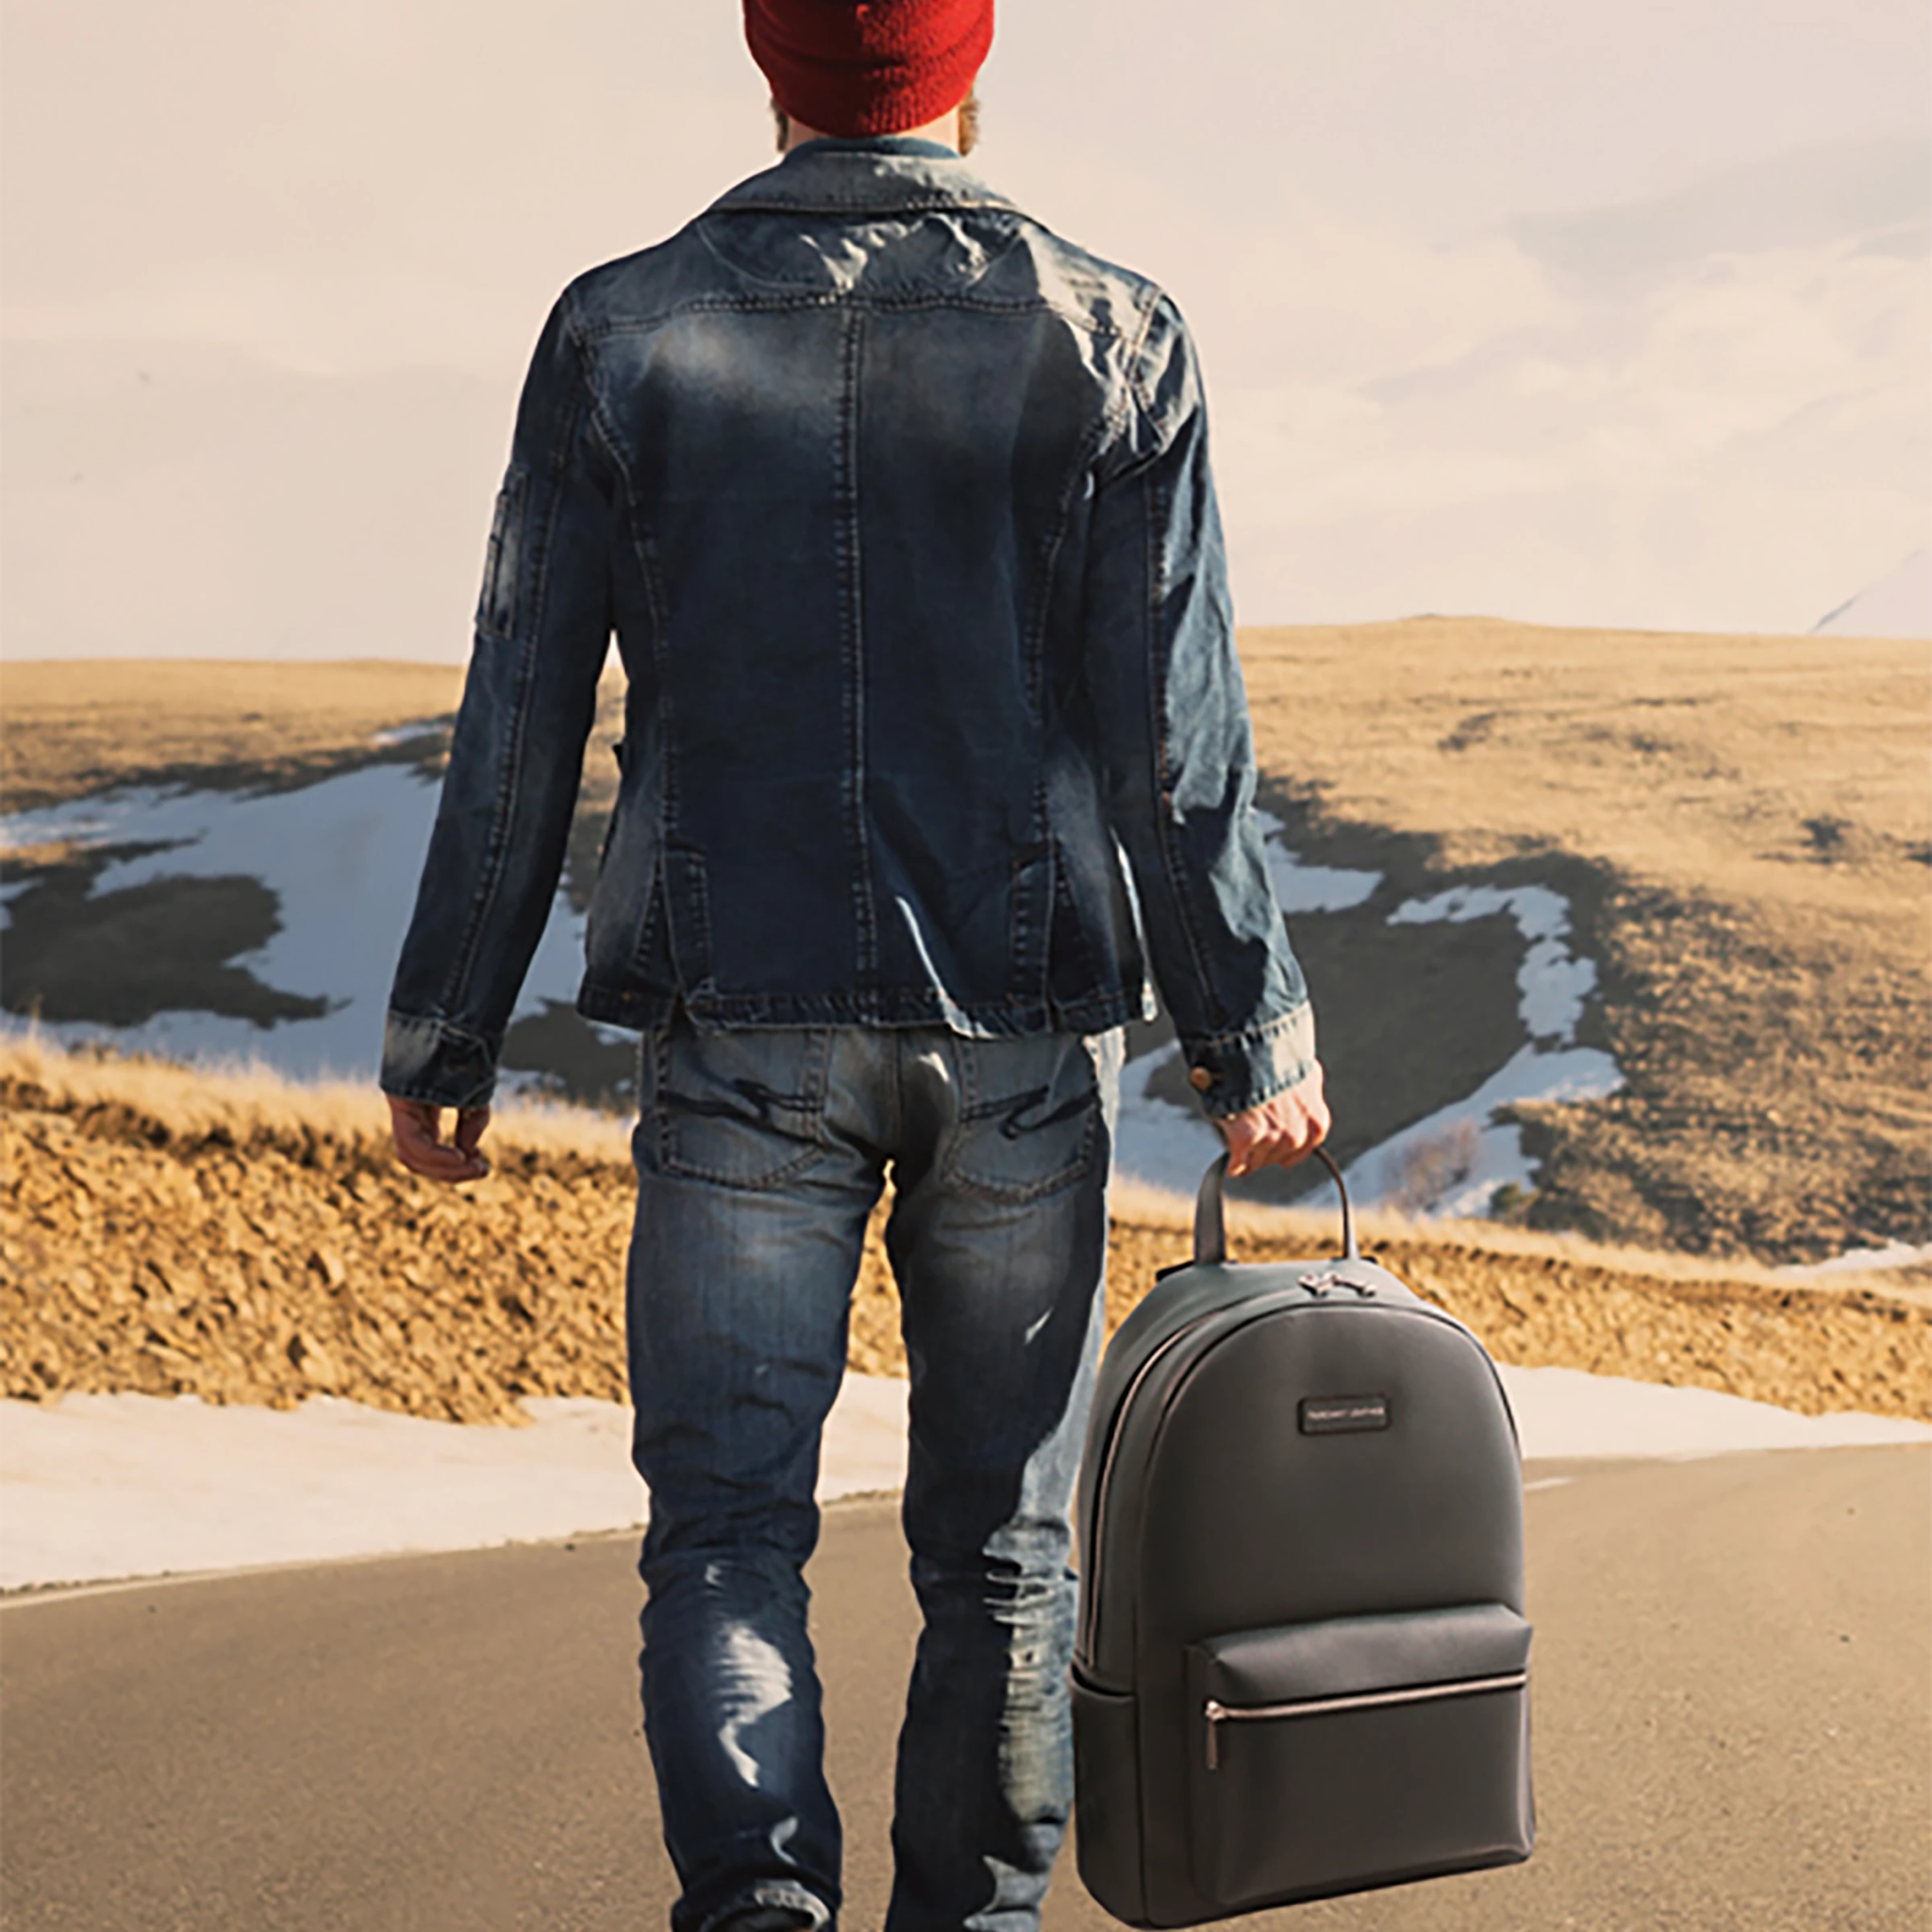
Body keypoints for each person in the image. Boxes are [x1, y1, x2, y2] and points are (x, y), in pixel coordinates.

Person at [381, 3, 1329, 1928]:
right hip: (1022, 1043)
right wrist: (1248, 1029)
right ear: (968, 74)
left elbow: (518, 717)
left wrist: (446, 1022)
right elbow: (1176, 746)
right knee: (1001, 1555)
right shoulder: (1114, 332)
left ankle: (758, 1910)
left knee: (723, 1538)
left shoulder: (612, 331)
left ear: (772, 71)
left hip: (739, 1040)